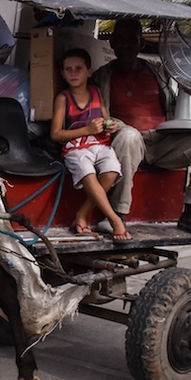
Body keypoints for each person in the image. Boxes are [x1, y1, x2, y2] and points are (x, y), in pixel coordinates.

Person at [91, 19, 191, 236]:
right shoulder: (101, 76)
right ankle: (117, 212)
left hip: (163, 142)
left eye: (132, 40)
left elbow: (188, 81)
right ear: (112, 43)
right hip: (129, 142)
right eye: (120, 40)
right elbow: (97, 113)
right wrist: (115, 125)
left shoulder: (159, 70)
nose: (126, 45)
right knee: (129, 136)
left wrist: (187, 89)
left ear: (141, 44)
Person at [51, 48, 130, 240]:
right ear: (62, 73)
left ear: (89, 72)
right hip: (75, 147)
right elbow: (56, 134)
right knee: (87, 170)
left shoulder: (96, 92)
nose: (73, 73)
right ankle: (115, 220)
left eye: (78, 68)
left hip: (99, 144)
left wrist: (110, 126)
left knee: (111, 170)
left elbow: (105, 120)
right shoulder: (63, 98)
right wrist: (86, 130)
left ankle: (81, 214)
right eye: (68, 69)